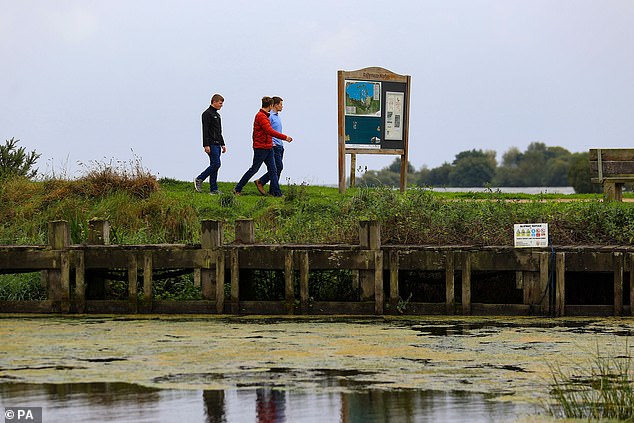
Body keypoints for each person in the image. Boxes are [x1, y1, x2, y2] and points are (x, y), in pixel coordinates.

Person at [233, 97, 292, 197]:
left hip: (268, 147)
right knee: (254, 169)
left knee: (274, 170)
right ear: (270, 105)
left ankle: (277, 193)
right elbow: (269, 131)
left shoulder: (265, 116)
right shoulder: (261, 116)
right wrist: (284, 137)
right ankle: (238, 188)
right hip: (261, 148)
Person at [254, 96, 289, 195]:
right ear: (275, 105)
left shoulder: (277, 116)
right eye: (281, 104)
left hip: (279, 145)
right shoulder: (270, 116)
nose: (282, 106)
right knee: (278, 167)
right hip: (273, 145)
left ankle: (271, 188)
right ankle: (264, 183)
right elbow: (269, 131)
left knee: (277, 168)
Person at [194, 94, 226, 194]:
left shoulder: (218, 115)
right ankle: (199, 179)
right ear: (214, 102)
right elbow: (205, 130)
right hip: (211, 144)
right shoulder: (206, 114)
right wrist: (206, 145)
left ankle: (213, 188)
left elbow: (219, 131)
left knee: (214, 165)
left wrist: (223, 144)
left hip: (217, 144)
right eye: (220, 103)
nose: (221, 105)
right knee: (216, 164)